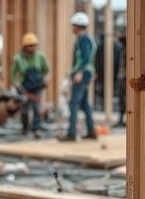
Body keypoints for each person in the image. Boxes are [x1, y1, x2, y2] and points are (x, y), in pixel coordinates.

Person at [57, 12, 97, 142]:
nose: (72, 28)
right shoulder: (85, 38)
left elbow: (85, 58)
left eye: (73, 25)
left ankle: (71, 133)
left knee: (73, 103)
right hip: (85, 73)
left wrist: (79, 72)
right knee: (84, 104)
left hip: (83, 74)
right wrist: (72, 71)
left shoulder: (83, 39)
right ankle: (92, 132)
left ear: (78, 26)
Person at [11, 32, 49, 138]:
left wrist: (45, 79)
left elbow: (47, 70)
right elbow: (13, 75)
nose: (33, 48)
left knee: (37, 109)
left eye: (34, 45)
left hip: (37, 87)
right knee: (24, 110)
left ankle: (36, 129)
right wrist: (17, 84)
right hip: (25, 88)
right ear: (25, 47)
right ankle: (25, 128)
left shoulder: (40, 57)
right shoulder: (18, 59)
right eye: (31, 46)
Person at [113, 28, 127, 128]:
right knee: (121, 99)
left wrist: (119, 36)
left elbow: (125, 39)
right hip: (121, 76)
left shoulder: (131, 44)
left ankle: (128, 120)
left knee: (127, 100)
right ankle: (121, 119)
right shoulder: (122, 47)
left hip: (127, 77)